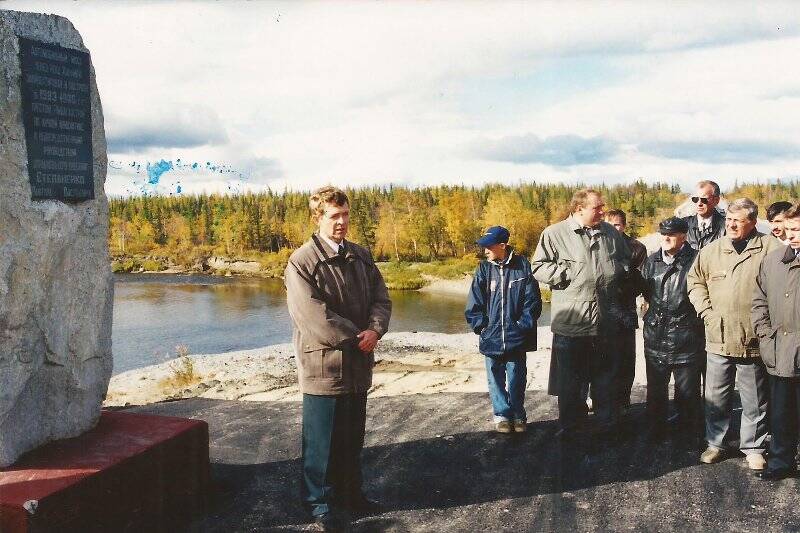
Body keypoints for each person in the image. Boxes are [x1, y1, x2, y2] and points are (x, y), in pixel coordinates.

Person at [284, 186, 392, 531]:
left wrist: (375, 330)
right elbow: (313, 317)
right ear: (318, 217)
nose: (342, 222)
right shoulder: (302, 262)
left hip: (358, 365)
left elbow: (381, 299)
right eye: (334, 216)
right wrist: (356, 337)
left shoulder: (360, 256)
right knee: (321, 444)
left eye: (346, 214)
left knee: (351, 438)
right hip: (324, 368)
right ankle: (318, 504)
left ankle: (351, 495)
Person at [687, 198, 781, 471]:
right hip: (718, 335)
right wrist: (706, 311)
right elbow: (694, 282)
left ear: (752, 222)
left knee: (754, 397)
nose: (731, 225)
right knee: (716, 395)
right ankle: (716, 444)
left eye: (738, 221)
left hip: (753, 337)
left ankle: (754, 447)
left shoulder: (770, 248)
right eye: (728, 220)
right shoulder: (712, 250)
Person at [532, 188, 633, 437]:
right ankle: (571, 430)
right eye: (597, 207)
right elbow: (538, 266)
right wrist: (566, 274)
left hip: (605, 323)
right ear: (579, 209)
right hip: (572, 324)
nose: (602, 211)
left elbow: (625, 258)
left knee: (605, 381)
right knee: (571, 385)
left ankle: (606, 429)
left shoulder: (610, 232)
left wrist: (615, 271)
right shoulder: (555, 233)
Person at [466, 226, 542, 434]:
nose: (485, 251)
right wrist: (481, 326)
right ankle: (501, 415)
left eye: (488, 247)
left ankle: (518, 414)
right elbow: (474, 301)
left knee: (517, 377)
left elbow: (533, 301)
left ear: (502, 245)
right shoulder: (483, 269)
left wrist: (522, 326)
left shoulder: (522, 266)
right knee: (495, 378)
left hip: (517, 337)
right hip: (491, 337)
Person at [640, 217, 704, 438]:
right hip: (656, 336)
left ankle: (687, 435)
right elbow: (646, 292)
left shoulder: (697, 260)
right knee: (656, 392)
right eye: (663, 233)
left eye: (672, 234)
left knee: (687, 393)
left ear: (684, 236)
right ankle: (655, 431)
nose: (666, 238)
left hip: (686, 336)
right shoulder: (651, 261)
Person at [752, 202, 800, 480]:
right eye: (789, 229)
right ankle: (781, 462)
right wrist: (764, 334)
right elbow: (758, 301)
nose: (790, 235)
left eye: (796, 229)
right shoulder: (772, 261)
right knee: (781, 413)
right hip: (780, 350)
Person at [605, 209, 647, 411]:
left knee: (626, 357)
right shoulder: (599, 245)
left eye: (618, 224)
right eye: (610, 224)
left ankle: (623, 398)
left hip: (625, 308)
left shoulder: (637, 248)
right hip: (602, 310)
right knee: (602, 357)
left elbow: (639, 282)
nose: (614, 228)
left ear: (624, 226)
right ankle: (599, 398)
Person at [681, 180, 725, 250]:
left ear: (716, 200)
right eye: (695, 199)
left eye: (704, 199)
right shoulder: (682, 225)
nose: (699, 203)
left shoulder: (727, 227)